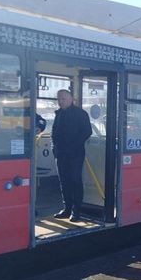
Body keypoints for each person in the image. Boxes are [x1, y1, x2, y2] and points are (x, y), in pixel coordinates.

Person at [51, 89, 92, 222]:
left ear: (71, 99)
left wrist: (73, 145)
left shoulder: (81, 114)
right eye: (59, 99)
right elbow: (54, 133)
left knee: (75, 181)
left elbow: (87, 132)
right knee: (64, 181)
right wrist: (55, 147)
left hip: (75, 154)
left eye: (63, 98)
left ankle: (76, 211)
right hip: (61, 154)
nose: (61, 101)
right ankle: (67, 208)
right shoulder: (59, 114)